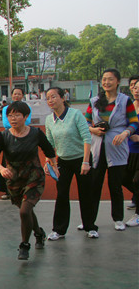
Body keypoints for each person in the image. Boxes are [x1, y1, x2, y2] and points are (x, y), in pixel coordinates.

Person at [0, 101, 57, 260]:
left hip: (34, 176)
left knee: (24, 211)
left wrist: (54, 166)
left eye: (17, 115)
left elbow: (49, 151)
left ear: (26, 117)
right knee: (27, 211)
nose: (13, 118)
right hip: (14, 179)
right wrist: (1, 169)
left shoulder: (36, 133)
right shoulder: (3, 136)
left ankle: (24, 245)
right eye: (10, 115)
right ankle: (39, 233)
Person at [84, 68, 138, 232]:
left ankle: (118, 219)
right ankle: (89, 221)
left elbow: (134, 122)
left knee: (115, 186)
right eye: (104, 79)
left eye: (110, 79)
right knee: (94, 185)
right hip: (97, 148)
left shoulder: (125, 101)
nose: (106, 82)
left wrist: (125, 133)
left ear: (118, 82)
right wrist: (93, 130)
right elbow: (86, 122)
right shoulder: (94, 101)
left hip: (117, 147)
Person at [43, 87, 96, 240]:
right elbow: (49, 143)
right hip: (63, 161)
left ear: (63, 98)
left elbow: (87, 138)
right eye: (48, 98)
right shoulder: (49, 119)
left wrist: (85, 161)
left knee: (86, 193)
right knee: (61, 194)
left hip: (81, 159)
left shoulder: (75, 114)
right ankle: (59, 230)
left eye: (54, 96)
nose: (50, 100)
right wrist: (49, 162)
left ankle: (90, 227)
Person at [0, 87, 31, 200]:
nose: (17, 96)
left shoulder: (27, 108)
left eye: (19, 94)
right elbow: (6, 124)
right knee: (7, 163)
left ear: (22, 96)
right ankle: (7, 190)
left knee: (24, 162)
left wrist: (18, 124)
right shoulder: (6, 108)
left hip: (24, 136)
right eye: (15, 94)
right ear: (11, 95)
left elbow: (28, 121)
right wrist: (18, 123)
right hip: (9, 137)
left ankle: (24, 188)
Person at [123, 77, 139, 227]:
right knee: (123, 178)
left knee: (137, 181)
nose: (136, 90)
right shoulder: (129, 107)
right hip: (128, 151)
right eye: (134, 87)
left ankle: (138, 215)